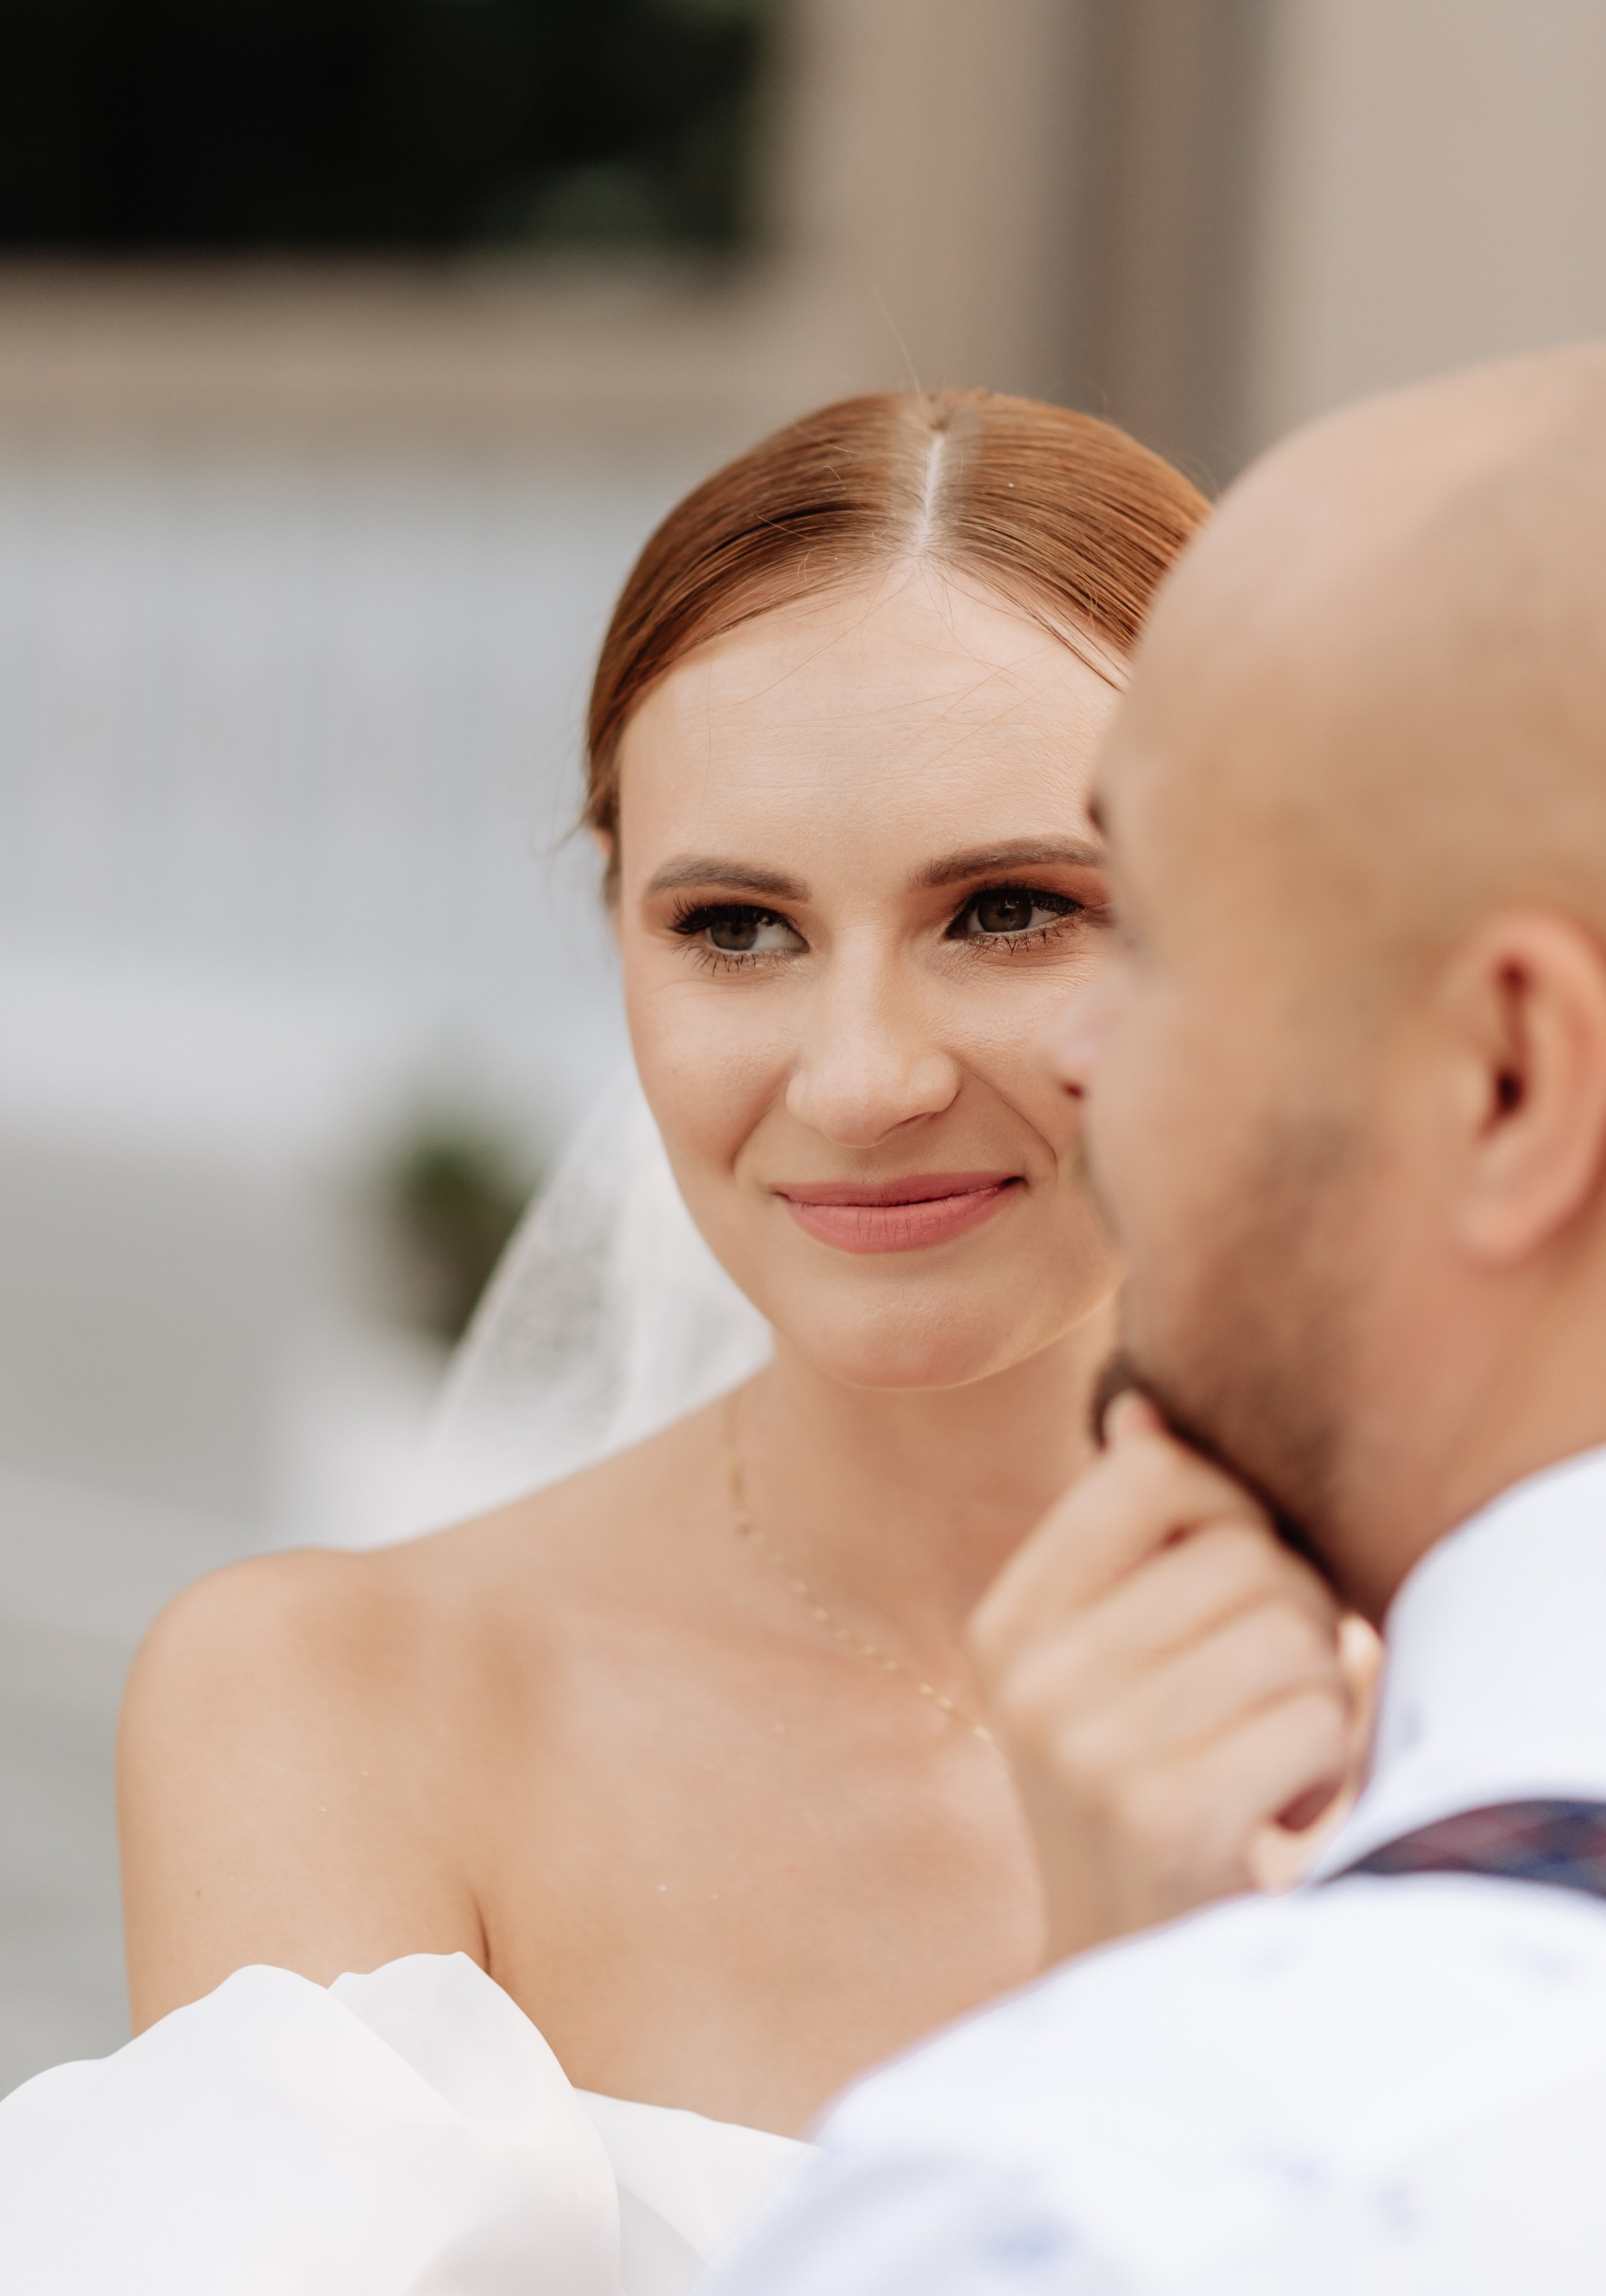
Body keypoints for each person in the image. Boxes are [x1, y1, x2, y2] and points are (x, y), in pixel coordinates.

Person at [0, 393, 1365, 2290]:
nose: (864, 1081)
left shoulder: (1502, 1673)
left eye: (1013, 910)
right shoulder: (337, 1708)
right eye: (736, 929)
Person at [701, 342, 1606, 2295]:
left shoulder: (1104, 2192)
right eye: (734, 926)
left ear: (1513, 1081)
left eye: (1148, 932)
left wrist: (1125, 2043)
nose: (1084, 1059)